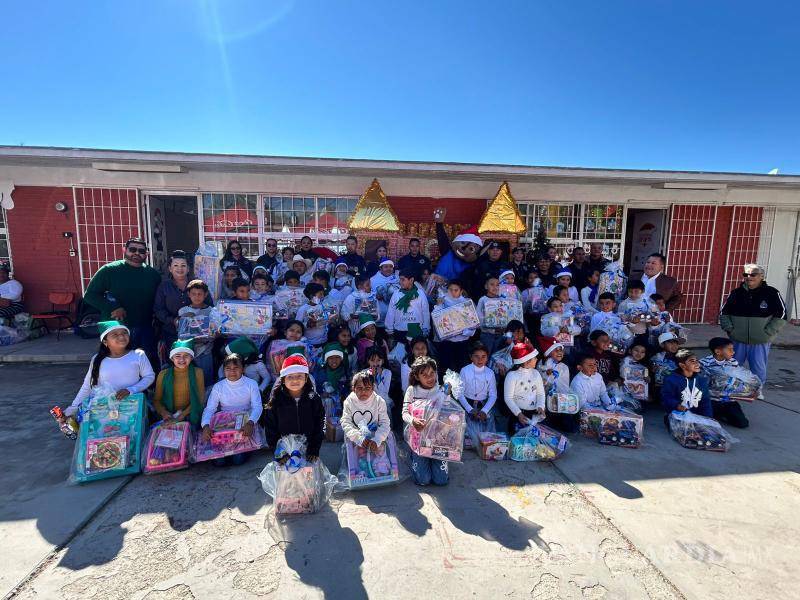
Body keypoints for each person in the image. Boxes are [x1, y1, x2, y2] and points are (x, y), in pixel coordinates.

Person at [83, 238, 161, 368]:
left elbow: (158, 300)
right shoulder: (109, 270)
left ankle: (145, 387)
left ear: (146, 254)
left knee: (145, 362)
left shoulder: (152, 274)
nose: (137, 253)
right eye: (132, 249)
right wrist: (112, 307)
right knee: (118, 363)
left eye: (141, 251)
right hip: (117, 327)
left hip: (145, 327)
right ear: (124, 250)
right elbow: (90, 295)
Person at [64, 321, 156, 417]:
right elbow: (88, 386)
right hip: (103, 410)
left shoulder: (138, 355)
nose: (121, 337)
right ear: (105, 342)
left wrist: (131, 390)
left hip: (132, 407)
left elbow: (149, 376)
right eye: (115, 335)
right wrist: (72, 409)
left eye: (124, 333)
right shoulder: (97, 359)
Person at [719, 263, 786, 385]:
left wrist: (768, 332)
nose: (749, 277)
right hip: (737, 339)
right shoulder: (736, 293)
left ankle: (757, 390)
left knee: (758, 368)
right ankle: (731, 388)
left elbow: (782, 314)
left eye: (753, 274)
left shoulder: (772, 293)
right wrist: (730, 330)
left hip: (760, 340)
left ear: (762, 276)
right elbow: (724, 312)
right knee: (733, 365)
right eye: (746, 274)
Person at [201, 353, 262, 466]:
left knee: (237, 460)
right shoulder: (218, 387)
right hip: (225, 425)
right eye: (228, 368)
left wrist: (250, 423)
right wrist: (205, 426)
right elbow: (210, 409)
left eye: (236, 368)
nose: (232, 371)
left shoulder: (251, 384)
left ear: (242, 369)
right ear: (223, 371)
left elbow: (257, 407)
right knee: (220, 462)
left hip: (245, 424)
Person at [263, 354, 325, 460]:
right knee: (288, 475)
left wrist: (314, 449)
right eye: (290, 377)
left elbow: (320, 424)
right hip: (284, 452)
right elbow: (270, 428)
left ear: (306, 378)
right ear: (283, 379)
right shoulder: (276, 400)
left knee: (308, 475)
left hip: (308, 450)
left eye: (299, 376)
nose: (295, 380)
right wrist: (278, 452)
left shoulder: (313, 398)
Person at [402, 356, 450, 486]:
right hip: (418, 438)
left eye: (432, 373)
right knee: (423, 480)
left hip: (438, 438)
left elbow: (447, 412)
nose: (430, 378)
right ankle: (414, 455)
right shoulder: (412, 390)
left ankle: (432, 459)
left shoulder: (442, 390)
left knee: (441, 481)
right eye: (424, 374)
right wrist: (413, 420)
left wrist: (447, 395)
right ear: (417, 376)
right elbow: (404, 413)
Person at [699, 337, 751, 428]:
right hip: (710, 399)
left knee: (742, 423)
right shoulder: (704, 363)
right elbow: (700, 383)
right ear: (718, 352)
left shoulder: (733, 362)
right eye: (730, 349)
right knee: (706, 423)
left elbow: (736, 380)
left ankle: (722, 413)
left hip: (727, 399)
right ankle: (714, 412)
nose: (733, 352)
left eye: (733, 349)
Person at [153, 339, 205, 427]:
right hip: (168, 415)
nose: (182, 359)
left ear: (191, 357)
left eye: (186, 356)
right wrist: (164, 413)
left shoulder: (198, 373)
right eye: (177, 356)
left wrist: (181, 416)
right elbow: (156, 400)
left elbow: (199, 399)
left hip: (190, 414)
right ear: (172, 358)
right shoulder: (163, 374)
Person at [154, 250, 195, 355]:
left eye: (183, 265)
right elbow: (158, 309)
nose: (180, 268)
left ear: (188, 268)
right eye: (176, 265)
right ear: (170, 268)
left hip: (195, 332)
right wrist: (173, 320)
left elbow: (206, 304)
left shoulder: (196, 284)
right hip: (171, 333)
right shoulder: (164, 286)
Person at [660, 349, 713, 428]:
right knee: (685, 430)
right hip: (678, 414)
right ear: (682, 365)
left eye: (697, 361)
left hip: (697, 415)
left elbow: (705, 400)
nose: (697, 364)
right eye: (692, 361)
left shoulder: (702, 380)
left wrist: (708, 418)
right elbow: (666, 397)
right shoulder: (671, 379)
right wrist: (677, 405)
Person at [434, 279, 477, 374]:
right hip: (447, 342)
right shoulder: (442, 301)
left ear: (461, 291)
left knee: (462, 368)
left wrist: (463, 331)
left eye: (456, 290)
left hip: (463, 342)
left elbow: (473, 325)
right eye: (450, 290)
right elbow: (436, 318)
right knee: (446, 369)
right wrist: (439, 305)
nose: (453, 292)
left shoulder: (467, 303)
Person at [177, 279, 216, 383]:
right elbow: (180, 334)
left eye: (200, 294)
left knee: (206, 379)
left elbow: (214, 333)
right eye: (193, 294)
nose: (196, 296)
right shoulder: (183, 311)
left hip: (205, 351)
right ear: (189, 294)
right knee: (189, 380)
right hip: (187, 352)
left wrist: (212, 334)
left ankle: (206, 399)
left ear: (205, 294)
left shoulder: (212, 311)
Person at [342, 369, 391, 449]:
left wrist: (377, 439)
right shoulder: (349, 401)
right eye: (360, 388)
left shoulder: (379, 401)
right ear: (354, 389)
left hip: (375, 439)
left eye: (367, 388)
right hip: (354, 438)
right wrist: (358, 438)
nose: (363, 391)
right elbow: (346, 422)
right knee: (352, 459)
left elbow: (385, 423)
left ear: (373, 388)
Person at [503, 342, 545, 434]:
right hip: (518, 414)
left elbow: (540, 393)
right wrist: (518, 413)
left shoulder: (536, 373)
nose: (537, 359)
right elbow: (508, 398)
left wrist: (541, 406)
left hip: (533, 414)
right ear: (527, 361)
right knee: (517, 442)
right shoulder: (512, 375)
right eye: (534, 358)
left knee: (531, 442)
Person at [385, 268, 431, 345]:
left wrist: (426, 328)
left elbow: (425, 312)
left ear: (411, 280)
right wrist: (389, 330)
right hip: (400, 331)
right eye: (400, 279)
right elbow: (391, 312)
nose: (400, 282)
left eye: (403, 280)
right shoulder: (396, 294)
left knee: (416, 355)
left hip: (417, 331)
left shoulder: (420, 293)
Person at [457, 342, 497, 428]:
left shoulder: (490, 373)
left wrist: (485, 411)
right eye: (476, 356)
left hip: (484, 405)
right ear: (471, 357)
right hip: (467, 404)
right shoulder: (465, 371)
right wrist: (469, 409)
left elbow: (493, 395)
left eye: (483, 356)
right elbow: (459, 393)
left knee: (486, 434)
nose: (480, 360)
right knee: (468, 432)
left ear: (487, 358)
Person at [476, 275, 504, 355]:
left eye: (498, 285)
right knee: (487, 354)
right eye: (492, 284)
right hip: (487, 334)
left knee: (498, 355)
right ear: (486, 286)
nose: (495, 287)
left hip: (501, 334)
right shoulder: (483, 300)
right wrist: (491, 326)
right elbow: (479, 318)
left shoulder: (502, 300)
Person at [370, 259, 399, 328]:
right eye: (386, 267)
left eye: (390, 267)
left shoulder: (397, 278)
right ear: (380, 268)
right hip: (380, 316)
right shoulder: (373, 280)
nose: (388, 269)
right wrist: (375, 295)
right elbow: (368, 294)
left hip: (394, 315)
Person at [364, 346, 392, 410]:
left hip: (383, 402)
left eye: (378, 360)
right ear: (368, 361)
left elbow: (384, 392)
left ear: (383, 361)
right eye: (372, 360)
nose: (375, 363)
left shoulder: (387, 373)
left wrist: (378, 377)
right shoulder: (364, 373)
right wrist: (372, 377)